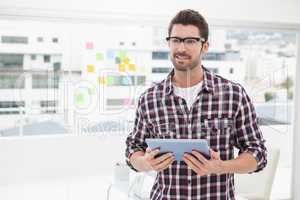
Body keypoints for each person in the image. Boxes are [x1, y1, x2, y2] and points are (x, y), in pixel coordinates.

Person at [125, 9, 267, 200]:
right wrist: (146, 163)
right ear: (168, 43)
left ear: (205, 46)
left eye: (190, 41)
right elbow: (133, 149)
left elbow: (257, 153)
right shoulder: (149, 99)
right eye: (176, 40)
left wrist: (222, 167)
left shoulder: (234, 94)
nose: (181, 48)